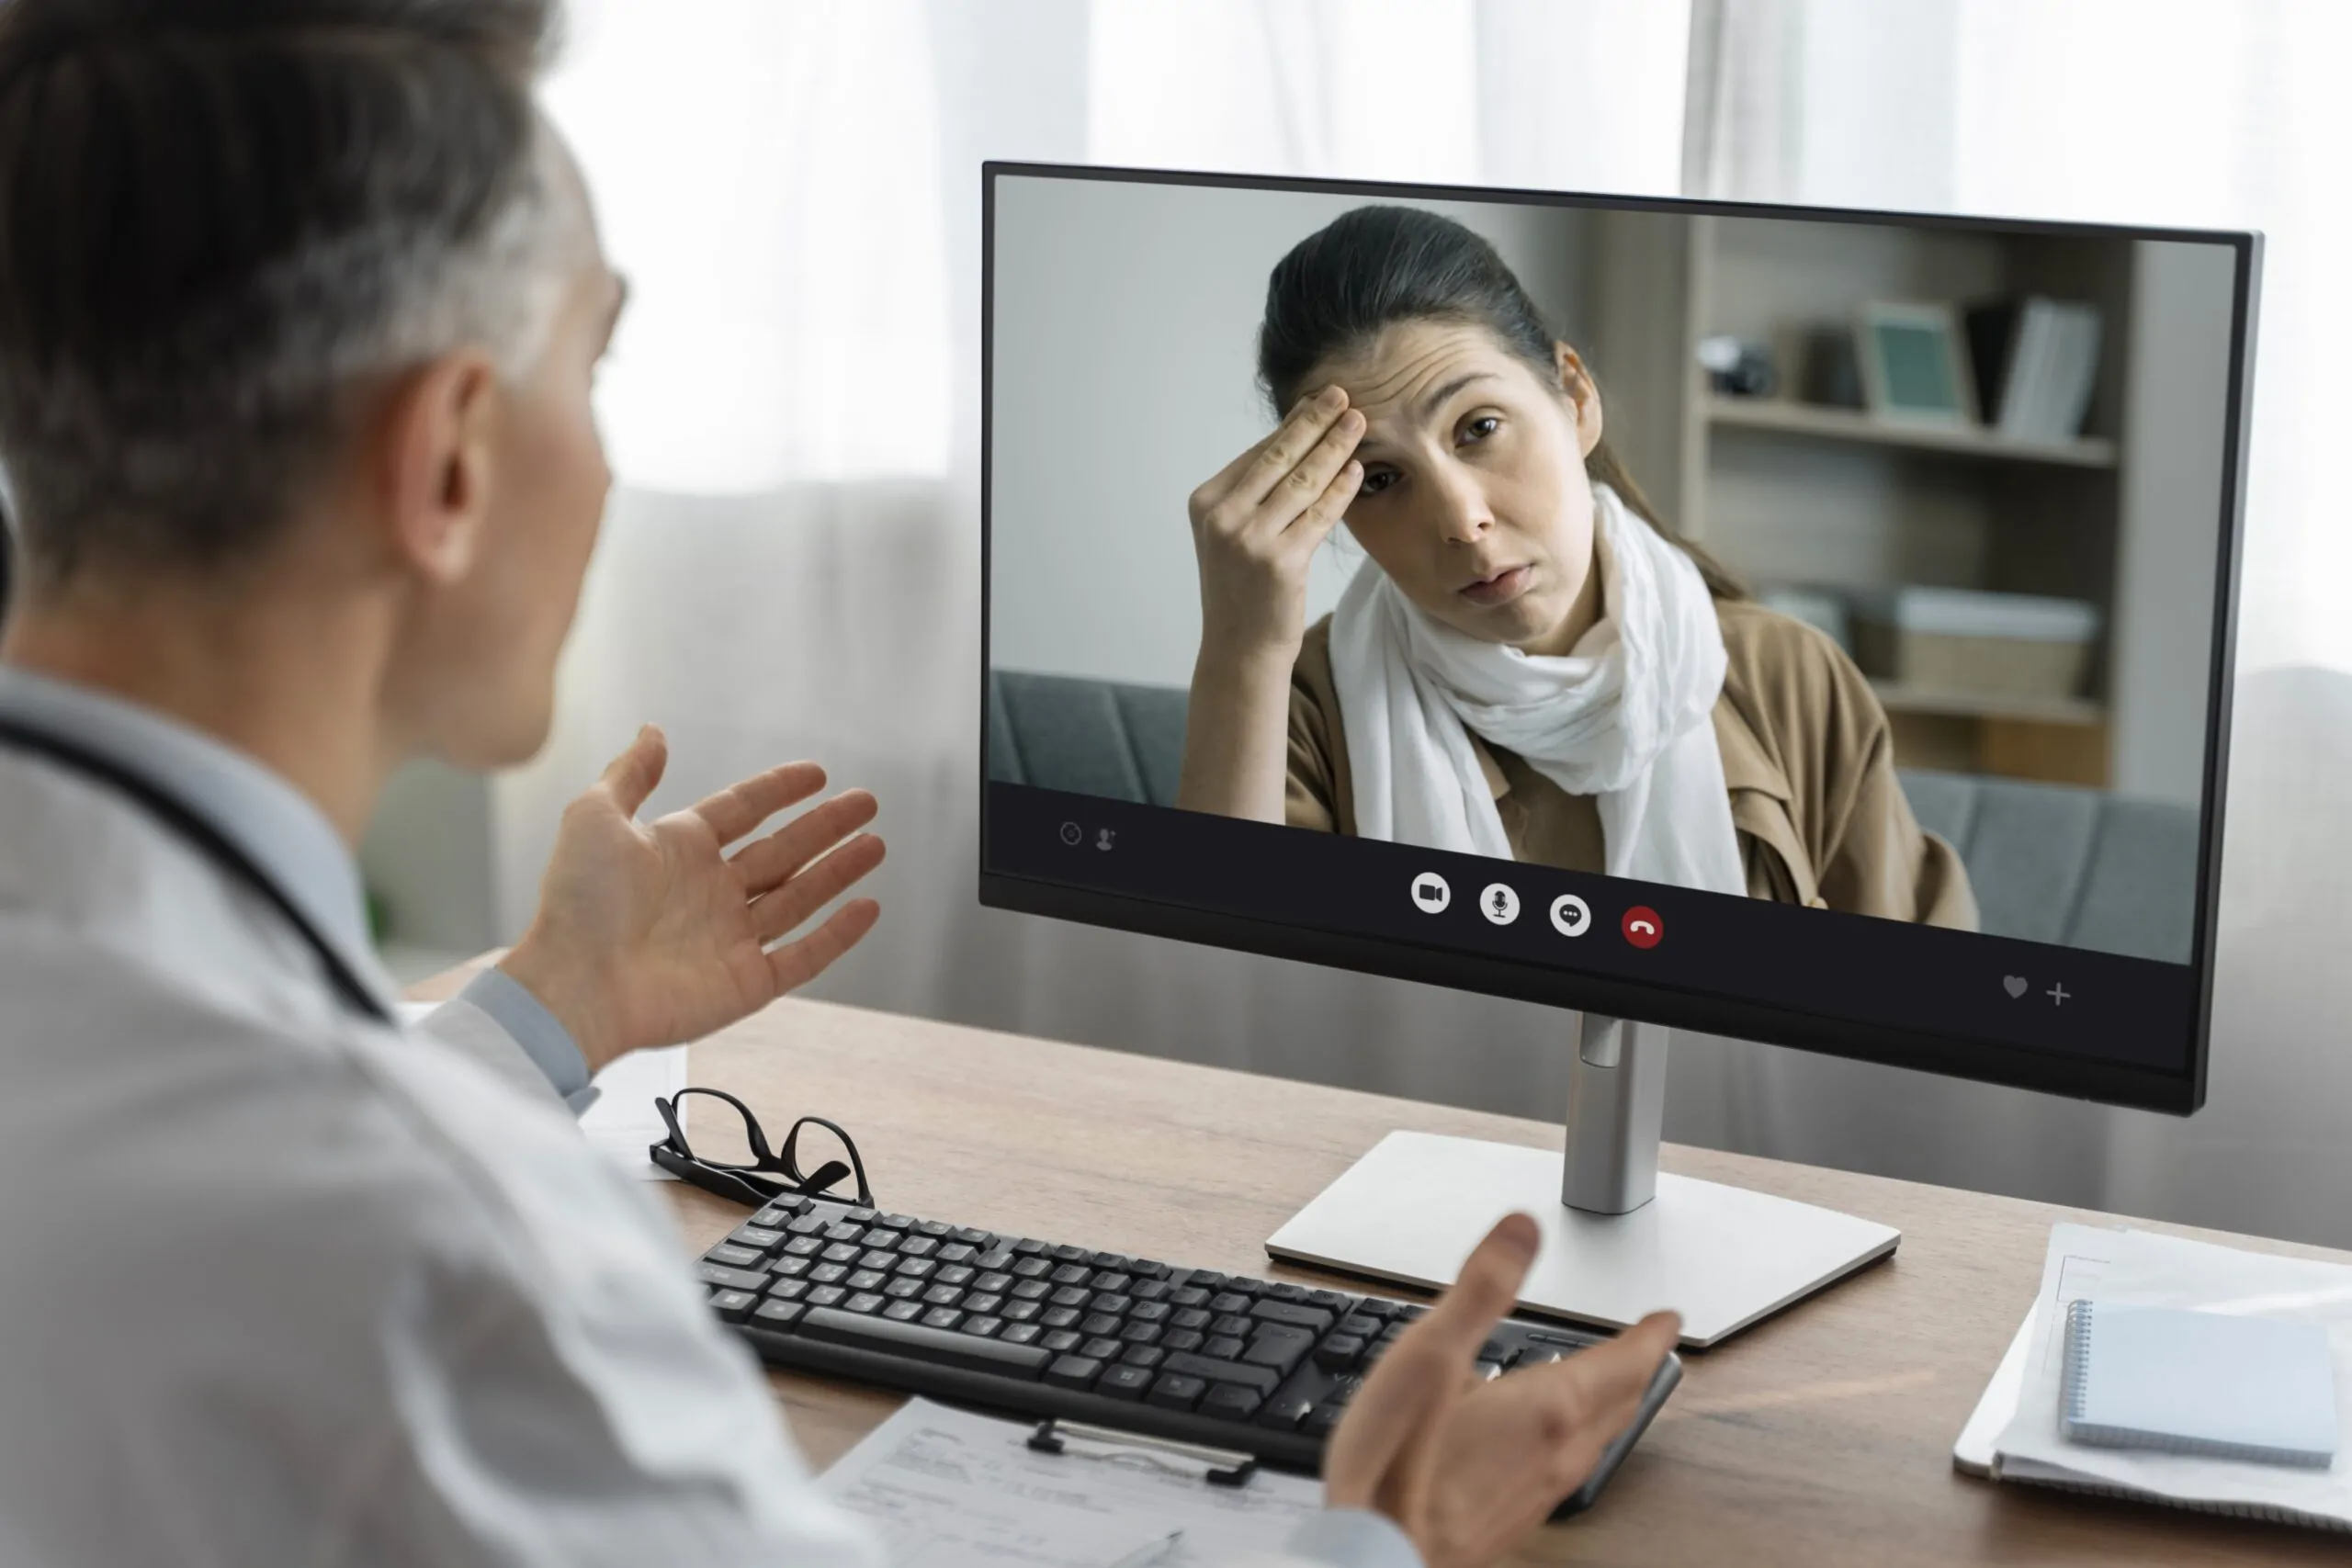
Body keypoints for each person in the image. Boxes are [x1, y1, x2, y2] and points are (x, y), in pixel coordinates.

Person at [0, 6, 1680, 1565]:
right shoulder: (455, 1273)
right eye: (592, 372)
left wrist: (536, 1021)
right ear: (447, 461)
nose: (605, 456)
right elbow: (337, 1225)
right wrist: (1379, 1535)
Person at [1176, 205, 1975, 927]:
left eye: (1479, 427)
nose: (1461, 520)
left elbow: (1933, 1029)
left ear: (1574, 396)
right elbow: (1217, 1004)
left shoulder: (1788, 682)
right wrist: (1242, 652)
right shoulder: (1304, 706)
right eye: (1380, 480)